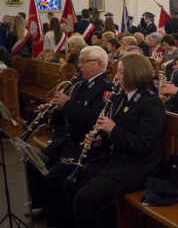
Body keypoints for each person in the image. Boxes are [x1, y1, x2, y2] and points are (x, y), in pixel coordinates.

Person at [63, 53, 165, 228]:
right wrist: (100, 140)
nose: (116, 77)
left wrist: (113, 129)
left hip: (138, 167)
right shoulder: (121, 96)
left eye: (121, 72)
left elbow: (144, 145)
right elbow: (113, 133)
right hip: (118, 159)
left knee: (84, 199)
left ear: (134, 73)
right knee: (69, 184)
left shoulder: (151, 103)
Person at [26, 46, 113, 227]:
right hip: (67, 138)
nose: (79, 65)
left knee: (54, 178)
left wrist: (67, 104)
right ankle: (46, 205)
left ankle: (60, 220)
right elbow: (67, 114)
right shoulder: (80, 84)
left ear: (99, 64)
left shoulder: (106, 89)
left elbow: (94, 120)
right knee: (33, 162)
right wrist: (51, 114)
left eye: (83, 61)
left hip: (84, 144)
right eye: (78, 61)